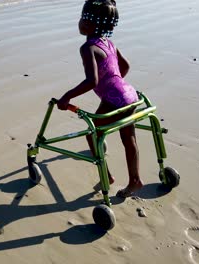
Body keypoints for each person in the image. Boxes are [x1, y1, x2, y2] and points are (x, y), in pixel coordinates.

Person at [57, 0, 142, 198]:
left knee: (92, 134)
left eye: (82, 17)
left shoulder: (88, 48)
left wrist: (66, 97)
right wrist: (115, 83)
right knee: (129, 138)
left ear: (89, 23)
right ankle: (135, 180)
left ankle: (107, 177)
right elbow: (126, 66)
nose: (79, 22)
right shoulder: (109, 43)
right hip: (129, 94)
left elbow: (91, 81)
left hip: (114, 98)